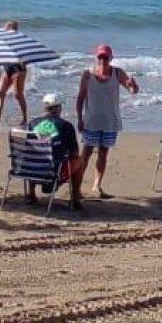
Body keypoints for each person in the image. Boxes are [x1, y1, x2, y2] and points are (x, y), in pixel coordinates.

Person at [76, 43, 139, 199]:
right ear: (96, 57)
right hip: (91, 121)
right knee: (87, 152)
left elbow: (133, 91)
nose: (103, 59)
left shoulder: (117, 73)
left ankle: (97, 185)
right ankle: (76, 186)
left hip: (110, 121)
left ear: (111, 58)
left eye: (106, 56)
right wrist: (79, 118)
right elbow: (80, 97)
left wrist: (133, 85)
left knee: (103, 153)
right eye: (100, 56)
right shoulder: (87, 74)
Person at [27, 92, 84, 210]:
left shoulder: (32, 124)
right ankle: (75, 198)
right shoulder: (66, 126)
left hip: (31, 170)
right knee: (78, 161)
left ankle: (31, 194)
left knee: (35, 155)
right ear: (58, 108)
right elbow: (74, 152)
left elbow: (28, 149)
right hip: (53, 172)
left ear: (45, 108)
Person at [0, 20, 28, 128]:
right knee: (1, 92)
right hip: (7, 66)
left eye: (7, 27)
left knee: (18, 95)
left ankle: (25, 118)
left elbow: (26, 54)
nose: (4, 28)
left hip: (18, 68)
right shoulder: (2, 38)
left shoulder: (20, 39)